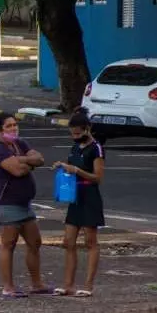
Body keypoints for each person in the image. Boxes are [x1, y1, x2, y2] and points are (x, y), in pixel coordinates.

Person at [0, 112, 51, 298]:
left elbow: (40, 159)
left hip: (25, 204)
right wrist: (28, 162)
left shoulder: (19, 143)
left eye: (15, 125)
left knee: (35, 242)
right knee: (8, 244)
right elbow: (17, 170)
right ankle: (8, 287)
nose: (13, 128)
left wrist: (23, 160)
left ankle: (37, 284)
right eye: (8, 126)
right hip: (8, 204)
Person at [52, 107, 106, 298]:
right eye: (72, 134)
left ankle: (88, 285)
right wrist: (63, 167)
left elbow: (97, 177)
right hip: (75, 196)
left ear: (87, 129)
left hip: (90, 195)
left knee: (90, 241)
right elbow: (71, 167)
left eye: (78, 133)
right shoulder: (75, 148)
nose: (74, 137)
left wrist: (77, 171)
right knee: (68, 242)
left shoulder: (96, 148)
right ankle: (68, 285)